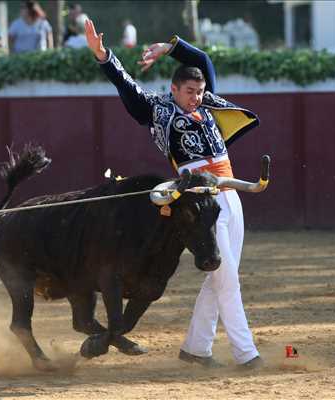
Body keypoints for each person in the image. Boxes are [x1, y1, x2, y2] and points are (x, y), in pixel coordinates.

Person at [85, 18, 264, 369]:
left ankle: (196, 349)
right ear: (173, 89)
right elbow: (126, 86)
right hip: (200, 200)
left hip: (231, 192)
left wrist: (170, 47)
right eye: (189, 92)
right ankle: (247, 355)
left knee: (221, 277)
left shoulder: (206, 101)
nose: (196, 98)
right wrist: (104, 55)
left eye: (198, 92)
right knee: (226, 280)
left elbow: (203, 62)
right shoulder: (158, 109)